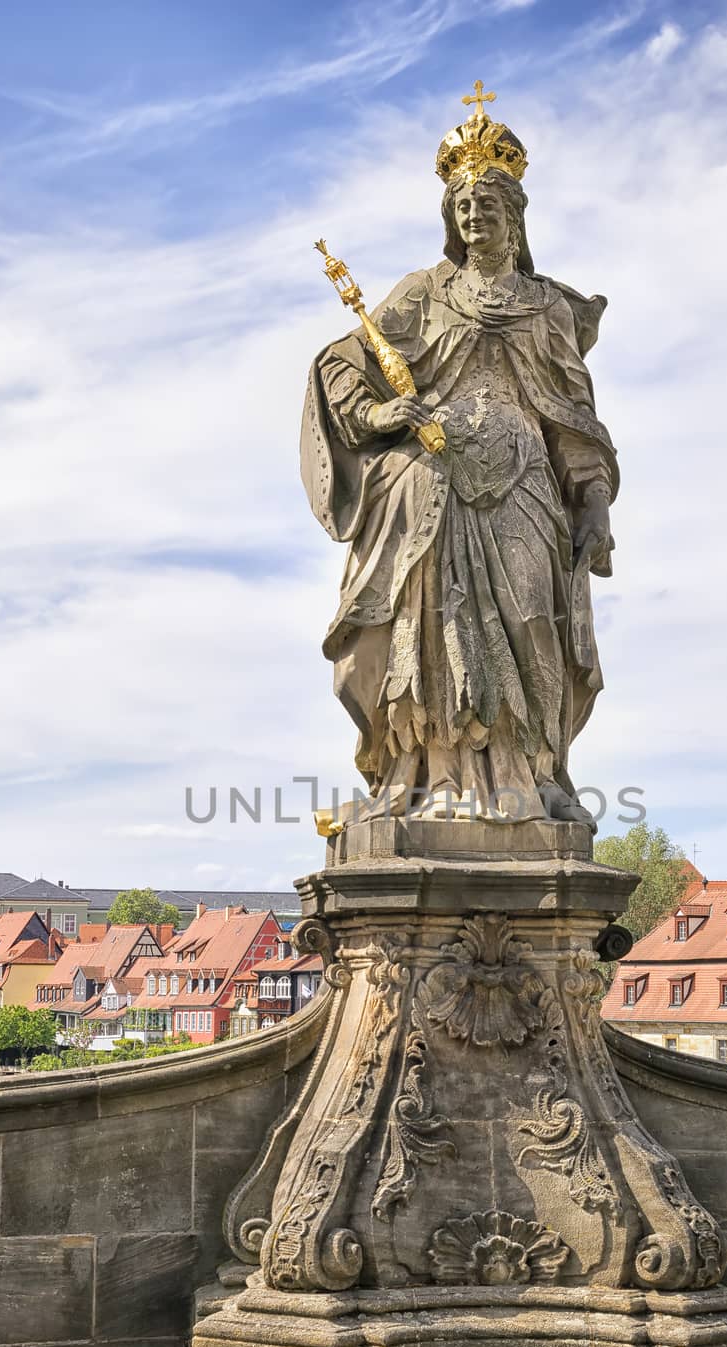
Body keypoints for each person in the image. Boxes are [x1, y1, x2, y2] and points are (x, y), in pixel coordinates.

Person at [302, 87, 619, 824]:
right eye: (463, 208)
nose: (475, 218)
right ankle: (433, 779)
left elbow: (574, 419)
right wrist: (383, 411)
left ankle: (528, 777)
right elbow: (341, 364)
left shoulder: (547, 308)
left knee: (531, 626)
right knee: (434, 632)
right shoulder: (420, 295)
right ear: (451, 219)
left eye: (489, 207)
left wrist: (595, 500)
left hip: (524, 486)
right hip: (432, 482)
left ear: (515, 218)